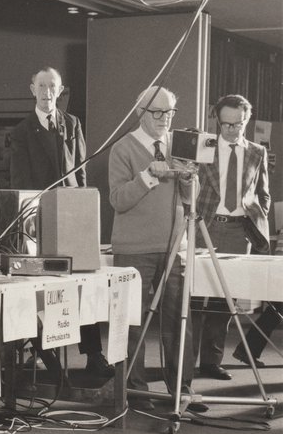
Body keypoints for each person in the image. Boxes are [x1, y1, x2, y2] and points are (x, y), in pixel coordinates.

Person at [9, 66, 111, 378]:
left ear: (60, 89)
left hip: (71, 219)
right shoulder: (21, 132)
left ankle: (94, 354)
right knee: (43, 289)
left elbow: (80, 172)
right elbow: (20, 183)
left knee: (81, 284)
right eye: (41, 86)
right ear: (32, 89)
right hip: (39, 221)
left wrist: (82, 213)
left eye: (52, 86)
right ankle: (47, 354)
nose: (47, 92)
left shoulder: (72, 124)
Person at [109, 86, 206, 413]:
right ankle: (134, 392)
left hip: (173, 247)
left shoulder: (177, 147)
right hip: (134, 249)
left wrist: (190, 178)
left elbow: (191, 199)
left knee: (180, 319)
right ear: (141, 112)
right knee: (132, 323)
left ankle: (182, 389)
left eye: (170, 112)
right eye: (158, 113)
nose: (165, 119)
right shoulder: (122, 149)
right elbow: (118, 200)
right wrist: (149, 175)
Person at [192, 94, 269, 380]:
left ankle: (211, 362)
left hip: (240, 232)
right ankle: (186, 363)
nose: (233, 130)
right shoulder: (204, 147)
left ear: (246, 121)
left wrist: (258, 222)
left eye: (239, 125)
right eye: (227, 125)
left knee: (225, 300)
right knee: (197, 298)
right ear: (217, 121)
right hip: (206, 227)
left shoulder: (256, 152)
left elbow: (263, 193)